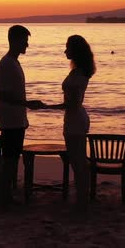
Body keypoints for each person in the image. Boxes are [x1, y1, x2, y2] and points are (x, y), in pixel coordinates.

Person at [44, 35, 95, 212]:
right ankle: (82, 199)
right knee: (77, 161)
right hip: (74, 118)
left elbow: (73, 103)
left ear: (75, 50)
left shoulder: (79, 74)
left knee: (78, 162)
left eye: (67, 47)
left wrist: (48, 107)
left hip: (75, 120)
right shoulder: (78, 71)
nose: (65, 50)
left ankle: (82, 201)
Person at [0, 24, 43, 209]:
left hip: (16, 120)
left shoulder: (13, 63)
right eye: (25, 41)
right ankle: (3, 198)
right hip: (10, 122)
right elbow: (3, 95)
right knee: (9, 160)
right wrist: (27, 104)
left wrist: (25, 114)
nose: (27, 45)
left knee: (11, 159)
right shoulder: (7, 64)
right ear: (14, 40)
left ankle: (5, 197)